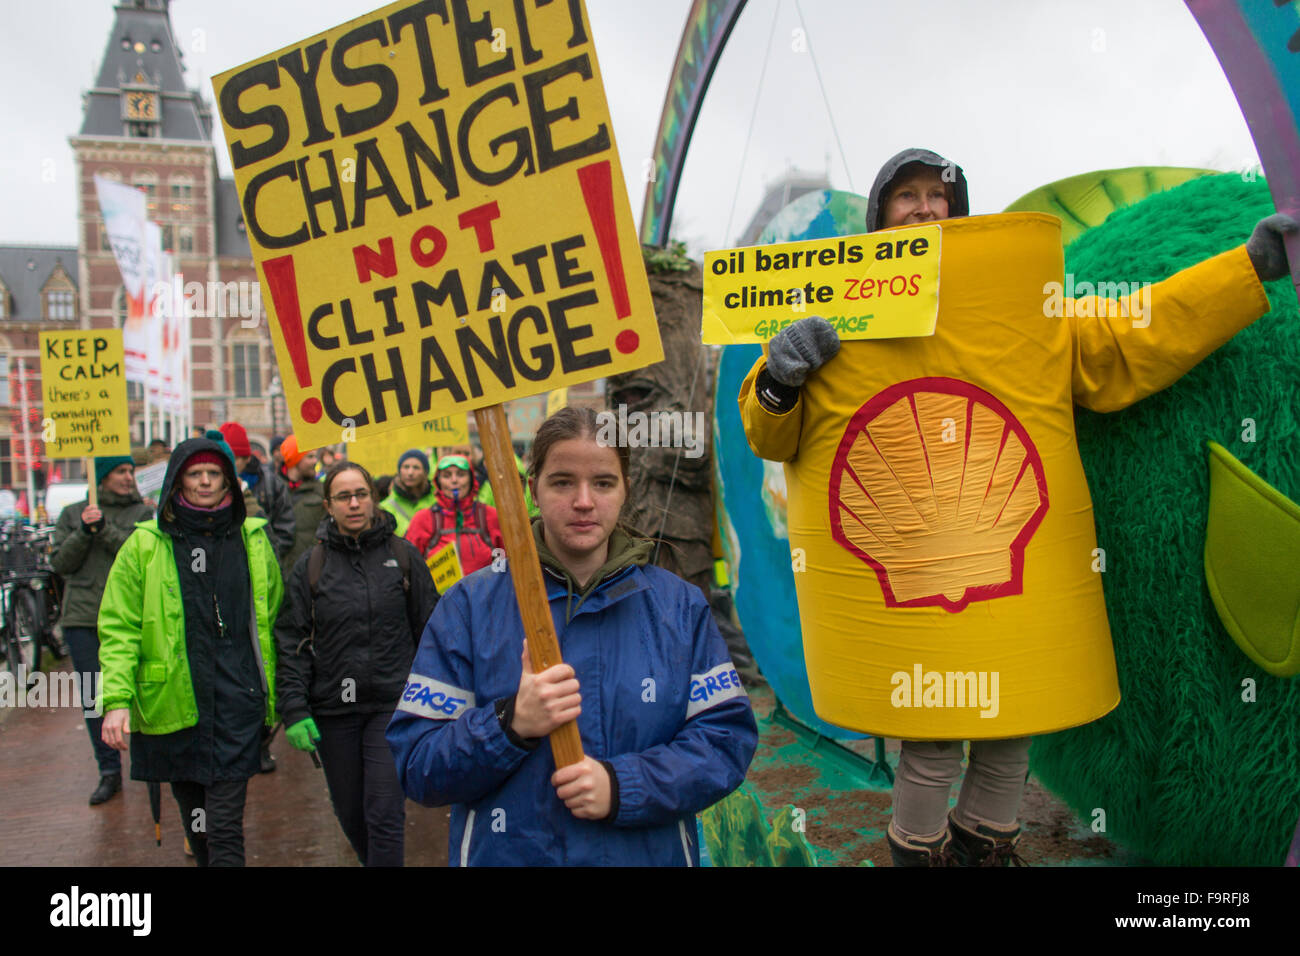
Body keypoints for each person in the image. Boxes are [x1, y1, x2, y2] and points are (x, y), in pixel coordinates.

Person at [739, 147, 1298, 866]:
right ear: (881, 215)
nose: (924, 206)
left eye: (938, 195)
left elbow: (1133, 336)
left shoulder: (1023, 304)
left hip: (1011, 567)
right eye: (906, 195)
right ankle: (917, 850)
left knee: (1012, 726)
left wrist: (1245, 271)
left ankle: (985, 845)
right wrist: (782, 376)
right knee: (931, 736)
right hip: (905, 571)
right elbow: (771, 429)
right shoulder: (833, 311)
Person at [387, 407, 758, 866]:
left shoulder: (680, 607)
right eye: (562, 482)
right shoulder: (467, 606)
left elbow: (725, 741)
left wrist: (625, 785)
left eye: (603, 482)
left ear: (626, 490)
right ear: (532, 490)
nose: (584, 501)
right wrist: (508, 725)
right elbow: (418, 765)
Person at [98, 434, 283, 867]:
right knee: (197, 826)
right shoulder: (144, 545)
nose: (204, 482)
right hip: (175, 708)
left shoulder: (253, 540)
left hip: (237, 701)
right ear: (178, 481)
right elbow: (119, 627)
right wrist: (117, 701)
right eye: (195, 474)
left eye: (214, 473)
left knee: (224, 827)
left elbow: (271, 617)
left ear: (228, 481)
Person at [274, 462, 436, 866]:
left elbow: (431, 630)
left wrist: (433, 698)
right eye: (344, 497)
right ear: (329, 505)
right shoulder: (310, 567)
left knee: (384, 810)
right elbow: (291, 640)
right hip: (333, 710)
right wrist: (293, 709)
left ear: (373, 498)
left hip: (391, 706)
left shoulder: (403, 556)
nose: (354, 503)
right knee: (350, 812)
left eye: (361, 493)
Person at [49, 456, 154, 806]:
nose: (128, 478)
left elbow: (137, 553)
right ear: (102, 477)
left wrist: (103, 528)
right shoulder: (71, 513)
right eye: (120, 472)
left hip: (131, 617)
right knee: (94, 697)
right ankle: (108, 771)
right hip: (83, 619)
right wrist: (83, 530)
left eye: (129, 471)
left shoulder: (142, 513)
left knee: (140, 690)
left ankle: (148, 762)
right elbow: (61, 563)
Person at [405, 454, 504, 575]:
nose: (454, 480)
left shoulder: (491, 516)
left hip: (486, 593)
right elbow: (409, 568)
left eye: (461, 474)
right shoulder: (423, 519)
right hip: (440, 594)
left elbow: (504, 564)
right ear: (438, 481)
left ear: (471, 479)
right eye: (446, 475)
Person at [218, 421, 295, 561]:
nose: (227, 465)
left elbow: (285, 530)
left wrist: (265, 558)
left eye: (233, 459)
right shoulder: (211, 486)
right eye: (222, 459)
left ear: (247, 458)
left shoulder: (271, 484)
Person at [277, 434, 323, 577]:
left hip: (312, 573)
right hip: (281, 573)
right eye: (309, 457)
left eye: (315, 456)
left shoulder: (322, 490)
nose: (315, 461)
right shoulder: (274, 490)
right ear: (294, 460)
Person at [378, 449, 435, 536]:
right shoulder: (385, 508)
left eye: (416, 467)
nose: (410, 473)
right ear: (399, 471)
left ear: (426, 472)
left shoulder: (438, 502)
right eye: (406, 467)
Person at [476, 450, 539, 517]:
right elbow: (480, 513)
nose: (511, 485)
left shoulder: (532, 494)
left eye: (516, 479)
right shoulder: (489, 491)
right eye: (505, 480)